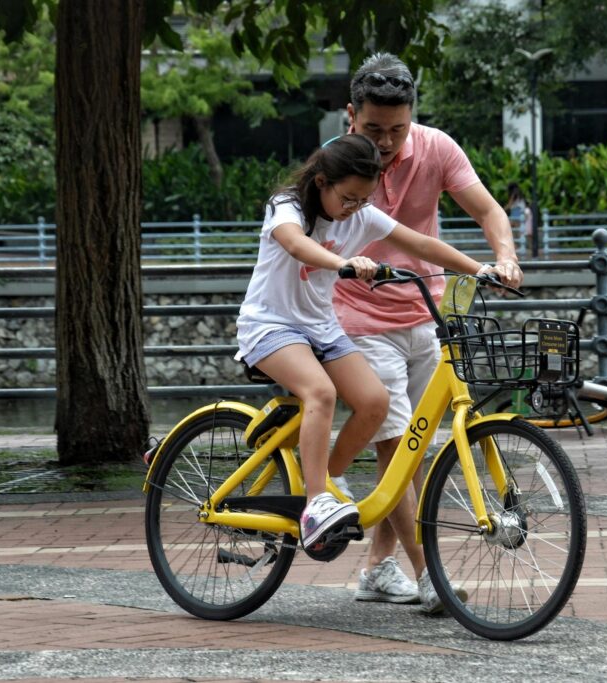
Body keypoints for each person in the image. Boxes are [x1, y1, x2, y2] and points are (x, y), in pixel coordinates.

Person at [234, 133, 495, 562]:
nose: (355, 208)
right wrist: (344, 264)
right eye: (349, 198)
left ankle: (330, 479)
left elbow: (423, 245)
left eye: (364, 199)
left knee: (375, 402)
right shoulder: (287, 206)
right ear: (322, 182)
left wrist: (482, 269)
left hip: (320, 327)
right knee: (321, 392)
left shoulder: (362, 215)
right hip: (270, 326)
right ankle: (316, 503)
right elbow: (296, 243)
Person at [332, 53, 524, 612]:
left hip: (426, 314)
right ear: (351, 116)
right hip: (359, 318)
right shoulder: (337, 161)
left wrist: (505, 256)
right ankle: (428, 574)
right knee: (396, 443)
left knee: (411, 453)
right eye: (374, 129)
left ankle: (375, 567)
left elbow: (488, 209)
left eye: (398, 129)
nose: (388, 142)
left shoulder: (437, 148)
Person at [504, 182, 533, 256]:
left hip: (518, 215)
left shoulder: (516, 196)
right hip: (517, 215)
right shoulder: (518, 196)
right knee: (511, 230)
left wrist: (502, 210)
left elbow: (510, 205)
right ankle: (517, 246)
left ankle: (520, 247)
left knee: (517, 232)